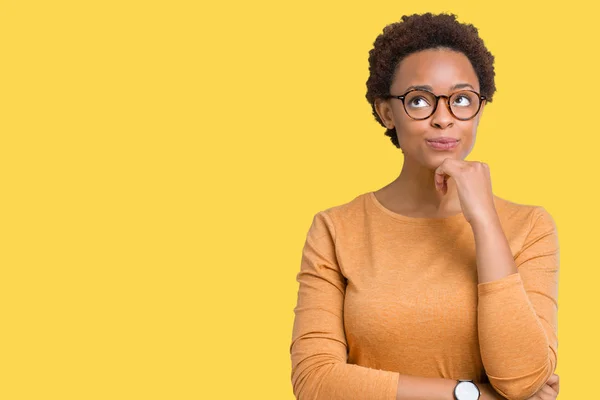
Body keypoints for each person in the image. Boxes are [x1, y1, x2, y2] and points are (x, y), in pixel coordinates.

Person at [289, 12, 560, 400]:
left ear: (479, 109)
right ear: (387, 113)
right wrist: (473, 395)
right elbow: (315, 382)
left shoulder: (530, 226)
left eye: (462, 99)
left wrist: (484, 220)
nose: (443, 119)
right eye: (419, 101)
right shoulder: (336, 228)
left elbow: (521, 380)